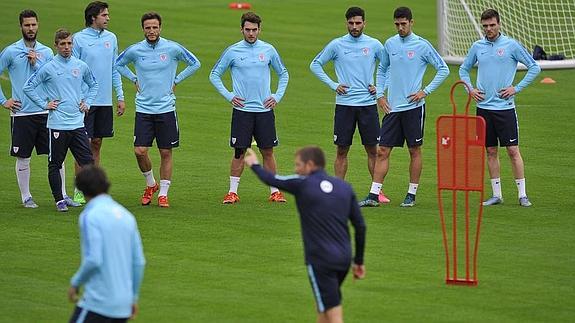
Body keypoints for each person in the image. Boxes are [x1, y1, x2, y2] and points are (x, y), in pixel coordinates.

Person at [244, 146, 366, 323]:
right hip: (344, 259)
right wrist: (359, 261)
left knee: (333, 312)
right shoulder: (344, 187)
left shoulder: (302, 184)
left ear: (310, 165)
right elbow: (360, 226)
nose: (296, 169)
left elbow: (272, 178)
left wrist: (255, 165)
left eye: (298, 164)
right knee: (323, 305)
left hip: (320, 260)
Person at [359, 7, 449, 207]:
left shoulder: (422, 45)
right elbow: (382, 69)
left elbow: (443, 69)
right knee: (382, 150)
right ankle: (373, 195)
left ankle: (411, 194)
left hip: (414, 108)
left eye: (403, 24)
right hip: (393, 108)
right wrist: (380, 95)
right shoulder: (390, 44)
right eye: (397, 24)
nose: (400, 28)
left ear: (411, 23)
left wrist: (424, 92)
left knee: (414, 150)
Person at [116, 12, 201, 208]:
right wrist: (133, 79)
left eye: (155, 27)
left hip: (166, 108)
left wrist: (177, 80)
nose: (151, 31)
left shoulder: (171, 48)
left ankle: (163, 193)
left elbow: (194, 63)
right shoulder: (135, 50)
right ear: (143, 29)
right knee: (139, 150)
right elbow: (118, 64)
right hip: (144, 108)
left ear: (160, 28)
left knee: (165, 152)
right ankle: (150, 184)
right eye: (148, 27)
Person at [459, 9, 540, 207]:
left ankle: (522, 195)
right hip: (483, 109)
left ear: (499, 24)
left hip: (505, 109)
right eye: (485, 26)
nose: (489, 29)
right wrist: (470, 89)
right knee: (490, 151)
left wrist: (516, 88)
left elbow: (534, 67)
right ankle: (497, 195)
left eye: (492, 25)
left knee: (512, 150)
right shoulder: (477, 46)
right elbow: (463, 69)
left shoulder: (511, 45)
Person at [310, 6, 390, 204]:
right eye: (351, 23)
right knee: (342, 150)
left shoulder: (374, 45)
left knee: (373, 150)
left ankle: (376, 192)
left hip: (367, 105)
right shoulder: (337, 45)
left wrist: (380, 88)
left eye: (358, 23)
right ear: (346, 23)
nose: (354, 27)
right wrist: (333, 85)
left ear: (364, 23)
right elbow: (315, 64)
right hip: (345, 105)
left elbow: (388, 65)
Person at [210, 12, 289, 204]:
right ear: (241, 30)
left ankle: (275, 191)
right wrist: (230, 96)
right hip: (242, 111)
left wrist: (276, 96)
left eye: (254, 30)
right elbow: (214, 75)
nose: (251, 34)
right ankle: (232, 192)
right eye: (248, 30)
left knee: (267, 151)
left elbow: (284, 73)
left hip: (264, 111)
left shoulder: (269, 50)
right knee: (239, 151)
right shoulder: (233, 51)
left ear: (260, 30)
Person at [0, 10, 74, 208]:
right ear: (21, 26)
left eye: (33, 25)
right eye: (27, 25)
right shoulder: (10, 52)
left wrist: (36, 64)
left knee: (57, 155)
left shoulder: (47, 52)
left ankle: (64, 194)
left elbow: (53, 77)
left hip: (45, 112)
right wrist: (3, 101)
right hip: (22, 113)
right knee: (23, 156)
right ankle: (26, 197)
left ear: (38, 25)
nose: (31, 28)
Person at [23, 28, 98, 212]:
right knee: (55, 164)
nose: (66, 47)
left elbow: (93, 84)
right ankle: (59, 200)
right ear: (55, 45)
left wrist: (87, 102)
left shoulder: (80, 66)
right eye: (63, 44)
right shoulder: (48, 67)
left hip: (77, 124)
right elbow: (29, 87)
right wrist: (44, 104)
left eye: (69, 43)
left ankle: (92, 197)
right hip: (57, 124)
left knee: (88, 162)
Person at [68, 165, 146, 323]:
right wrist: (133, 297)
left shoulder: (90, 216)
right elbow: (139, 262)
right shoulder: (127, 216)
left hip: (97, 303)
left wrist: (75, 283)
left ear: (82, 190)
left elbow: (94, 259)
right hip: (123, 306)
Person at [71, 1, 125, 204]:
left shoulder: (111, 38)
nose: (108, 18)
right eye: (104, 15)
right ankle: (79, 189)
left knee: (96, 143)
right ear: (93, 17)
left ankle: (93, 189)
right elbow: (72, 70)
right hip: (84, 102)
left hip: (104, 101)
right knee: (81, 145)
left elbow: (115, 68)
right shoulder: (78, 39)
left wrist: (120, 96)